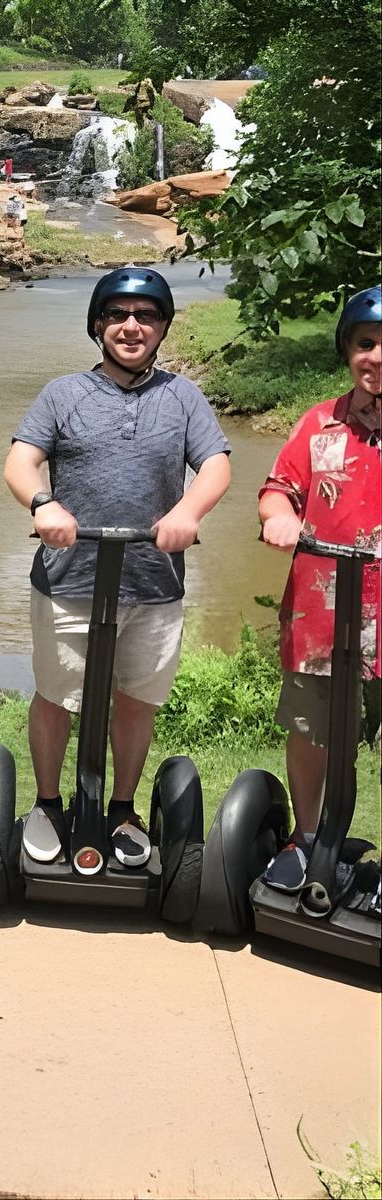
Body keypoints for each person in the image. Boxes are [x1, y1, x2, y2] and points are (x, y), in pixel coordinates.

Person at [3, 268, 231, 869]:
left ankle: (121, 808)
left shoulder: (183, 397)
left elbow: (215, 467)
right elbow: (21, 461)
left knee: (137, 701)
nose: (132, 327)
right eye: (119, 315)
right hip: (68, 579)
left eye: (146, 316)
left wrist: (188, 511)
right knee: (56, 696)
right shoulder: (62, 394)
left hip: (154, 584)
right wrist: (42, 501)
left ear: (161, 327)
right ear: (99, 324)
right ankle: (49, 804)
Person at [257, 285, 381, 890]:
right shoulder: (318, 424)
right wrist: (279, 515)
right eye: (366, 343)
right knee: (310, 730)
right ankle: (306, 840)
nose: (377, 357)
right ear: (349, 351)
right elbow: (280, 486)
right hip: (321, 613)